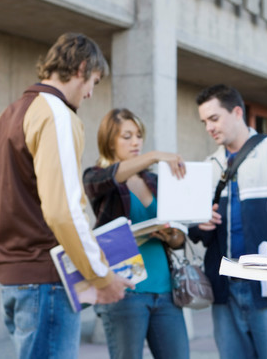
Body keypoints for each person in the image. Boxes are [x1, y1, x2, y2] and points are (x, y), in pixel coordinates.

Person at [0, 33, 133, 359]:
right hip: (46, 280)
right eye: (93, 81)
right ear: (81, 67)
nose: (91, 92)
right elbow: (63, 210)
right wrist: (102, 275)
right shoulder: (56, 114)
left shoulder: (6, 117)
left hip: (14, 277)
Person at [189, 84, 267, 359]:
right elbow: (196, 233)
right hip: (224, 288)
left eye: (214, 119)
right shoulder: (209, 164)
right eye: (204, 122)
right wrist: (200, 224)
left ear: (237, 112)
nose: (208, 128)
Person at [83, 108, 190, 359]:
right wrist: (153, 155)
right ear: (110, 141)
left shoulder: (155, 180)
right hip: (125, 291)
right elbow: (110, 177)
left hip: (165, 291)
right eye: (127, 136)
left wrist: (173, 236)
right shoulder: (96, 178)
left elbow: (178, 240)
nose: (136, 142)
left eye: (139, 135)